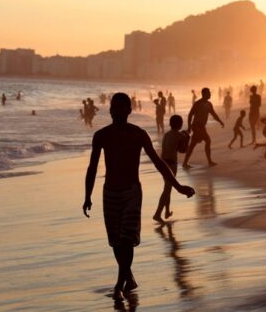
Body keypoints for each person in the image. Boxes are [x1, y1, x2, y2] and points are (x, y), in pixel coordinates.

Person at [82, 93, 195, 300]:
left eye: (121, 107)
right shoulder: (101, 135)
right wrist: (87, 196)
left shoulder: (138, 134)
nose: (116, 110)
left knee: (127, 239)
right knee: (116, 241)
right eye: (114, 107)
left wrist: (178, 186)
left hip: (132, 191)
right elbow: (92, 168)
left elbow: (159, 163)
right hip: (110, 192)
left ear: (129, 110)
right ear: (110, 110)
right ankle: (129, 277)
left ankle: (119, 283)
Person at [153, 115, 190, 222]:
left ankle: (167, 211)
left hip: (162, 163)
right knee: (167, 189)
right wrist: (187, 138)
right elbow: (183, 150)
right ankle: (157, 214)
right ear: (180, 124)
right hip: (171, 164)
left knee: (168, 187)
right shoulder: (180, 136)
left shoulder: (167, 134)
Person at [182, 88, 225, 169]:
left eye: (210, 93)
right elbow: (190, 114)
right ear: (204, 94)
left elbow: (214, 114)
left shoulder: (209, 104)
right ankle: (209, 161)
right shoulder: (198, 103)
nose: (210, 95)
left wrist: (220, 121)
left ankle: (185, 162)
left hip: (202, 126)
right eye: (208, 93)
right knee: (207, 141)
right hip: (196, 126)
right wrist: (189, 127)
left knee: (193, 144)